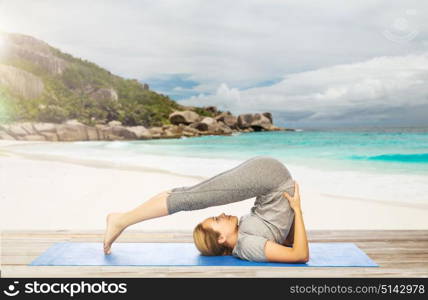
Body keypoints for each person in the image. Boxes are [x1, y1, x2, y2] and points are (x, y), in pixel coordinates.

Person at [103, 156, 309, 263]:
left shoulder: (243, 232)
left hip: (269, 177)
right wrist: (297, 211)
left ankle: (121, 219)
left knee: (187, 195)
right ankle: (120, 221)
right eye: (216, 220)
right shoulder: (247, 245)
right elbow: (298, 253)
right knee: (188, 197)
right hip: (271, 177)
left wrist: (293, 210)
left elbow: (283, 237)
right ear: (221, 239)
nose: (221, 214)